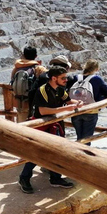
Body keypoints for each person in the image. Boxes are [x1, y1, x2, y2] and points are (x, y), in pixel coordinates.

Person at [18, 66, 83, 194]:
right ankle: (24, 178)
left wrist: (78, 102)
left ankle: (55, 178)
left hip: (54, 124)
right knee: (38, 153)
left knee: (57, 151)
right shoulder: (42, 90)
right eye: (63, 78)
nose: (66, 80)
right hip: (42, 126)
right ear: (54, 78)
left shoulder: (60, 89)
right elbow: (43, 110)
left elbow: (68, 101)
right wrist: (64, 109)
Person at [71, 59, 107, 145]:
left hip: (76, 111)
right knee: (86, 140)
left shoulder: (76, 78)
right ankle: (83, 157)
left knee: (79, 137)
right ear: (96, 69)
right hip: (91, 111)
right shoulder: (97, 79)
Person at [11, 46, 46, 122]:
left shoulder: (16, 68)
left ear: (23, 55)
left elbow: (12, 82)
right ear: (35, 56)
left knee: (21, 125)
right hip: (33, 103)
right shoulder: (38, 68)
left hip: (19, 102)